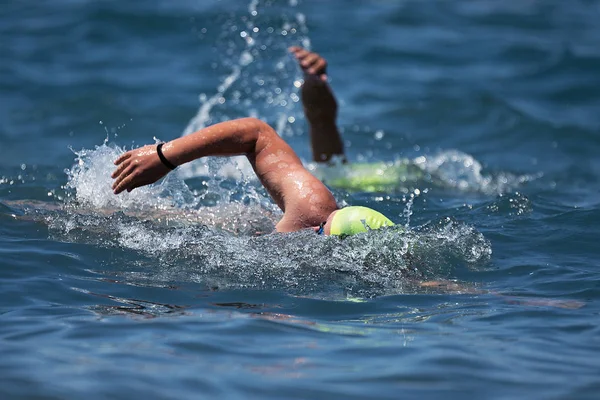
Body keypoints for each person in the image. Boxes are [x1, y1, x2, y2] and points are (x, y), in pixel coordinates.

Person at [111, 48, 397, 236]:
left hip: (256, 232)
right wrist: (164, 156)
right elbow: (256, 133)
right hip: (239, 223)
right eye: (322, 227)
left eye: (322, 232)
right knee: (132, 218)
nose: (316, 230)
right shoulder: (314, 211)